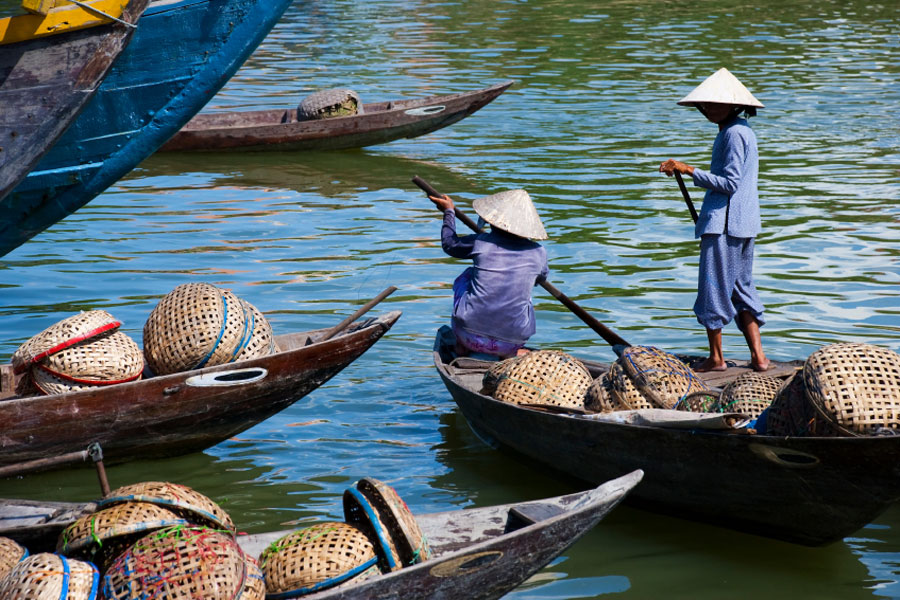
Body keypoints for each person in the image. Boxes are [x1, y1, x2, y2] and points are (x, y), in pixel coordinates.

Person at [659, 67, 770, 372]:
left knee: (712, 288)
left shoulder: (734, 134)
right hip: (742, 224)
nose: (707, 109)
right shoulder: (741, 131)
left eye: (713, 104)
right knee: (740, 288)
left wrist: (688, 169)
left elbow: (730, 182)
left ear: (733, 105)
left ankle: (716, 359)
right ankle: (759, 359)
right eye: (704, 105)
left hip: (724, 225)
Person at [429, 189, 549, 359]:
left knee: (467, 276)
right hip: (512, 341)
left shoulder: (480, 242)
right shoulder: (539, 252)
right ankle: (509, 354)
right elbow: (541, 278)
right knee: (525, 292)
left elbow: (450, 244)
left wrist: (449, 212)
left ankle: (460, 346)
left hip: (467, 335)